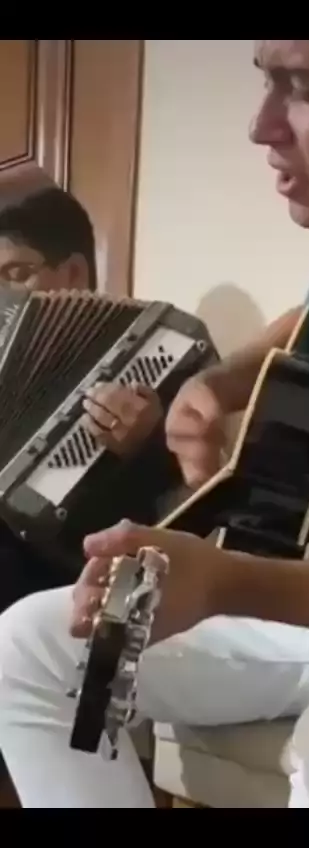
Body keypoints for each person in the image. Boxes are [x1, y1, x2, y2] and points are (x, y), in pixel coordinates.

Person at [2, 39, 309, 809]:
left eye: (302, 87)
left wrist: (229, 581)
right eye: (265, 84)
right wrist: (217, 383)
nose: (261, 127)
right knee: (34, 645)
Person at [0, 186, 167, 614]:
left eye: (15, 273)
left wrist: (147, 444)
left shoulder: (161, 347)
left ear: (74, 272)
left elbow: (194, 508)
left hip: (77, 583)